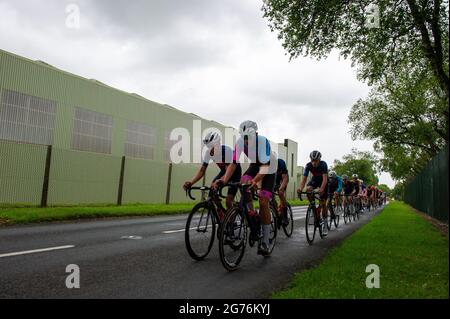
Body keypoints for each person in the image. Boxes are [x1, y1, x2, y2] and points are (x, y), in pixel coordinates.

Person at [213, 120, 276, 256]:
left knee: (263, 201)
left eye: (249, 137)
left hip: (269, 168)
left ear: (256, 134)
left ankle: (265, 241)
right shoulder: (240, 142)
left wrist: (255, 180)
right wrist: (223, 180)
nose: (246, 140)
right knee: (243, 182)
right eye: (244, 137)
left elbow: (265, 167)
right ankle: (252, 214)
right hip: (255, 165)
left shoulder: (263, 141)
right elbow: (233, 163)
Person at [183, 132, 241, 219]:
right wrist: (191, 182)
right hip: (224, 171)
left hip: (234, 172)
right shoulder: (208, 153)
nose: (211, 150)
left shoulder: (227, 151)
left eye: (213, 146)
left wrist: (221, 180)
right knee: (212, 189)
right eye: (209, 147)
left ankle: (231, 224)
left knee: (229, 201)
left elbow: (229, 170)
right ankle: (220, 210)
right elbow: (202, 171)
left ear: (218, 143)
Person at [297, 150, 329, 235]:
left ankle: (325, 224)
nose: (314, 163)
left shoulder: (323, 164)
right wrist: (300, 188)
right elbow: (304, 179)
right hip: (315, 180)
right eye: (312, 160)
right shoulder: (308, 165)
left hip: (324, 182)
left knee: (323, 204)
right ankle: (312, 206)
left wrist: (322, 188)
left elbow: (325, 179)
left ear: (319, 159)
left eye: (316, 161)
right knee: (308, 189)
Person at [274, 156, 289, 226]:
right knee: (269, 195)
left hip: (282, 179)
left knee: (280, 193)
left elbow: (285, 179)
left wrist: (281, 188)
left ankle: (285, 217)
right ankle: (276, 210)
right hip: (274, 179)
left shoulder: (281, 163)